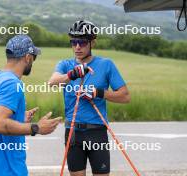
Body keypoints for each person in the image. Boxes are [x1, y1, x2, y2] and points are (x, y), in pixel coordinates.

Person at [48, 20, 131, 176]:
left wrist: (98, 93)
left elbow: (125, 96)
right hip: (73, 132)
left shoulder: (106, 65)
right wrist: (73, 74)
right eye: (73, 42)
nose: (77, 47)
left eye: (82, 42)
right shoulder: (65, 65)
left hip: (97, 132)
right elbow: (52, 82)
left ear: (92, 42)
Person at [0, 34, 62, 176]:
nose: (33, 61)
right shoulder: (12, 83)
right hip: (9, 170)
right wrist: (37, 128)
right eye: (34, 57)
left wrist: (18, 119)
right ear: (27, 57)